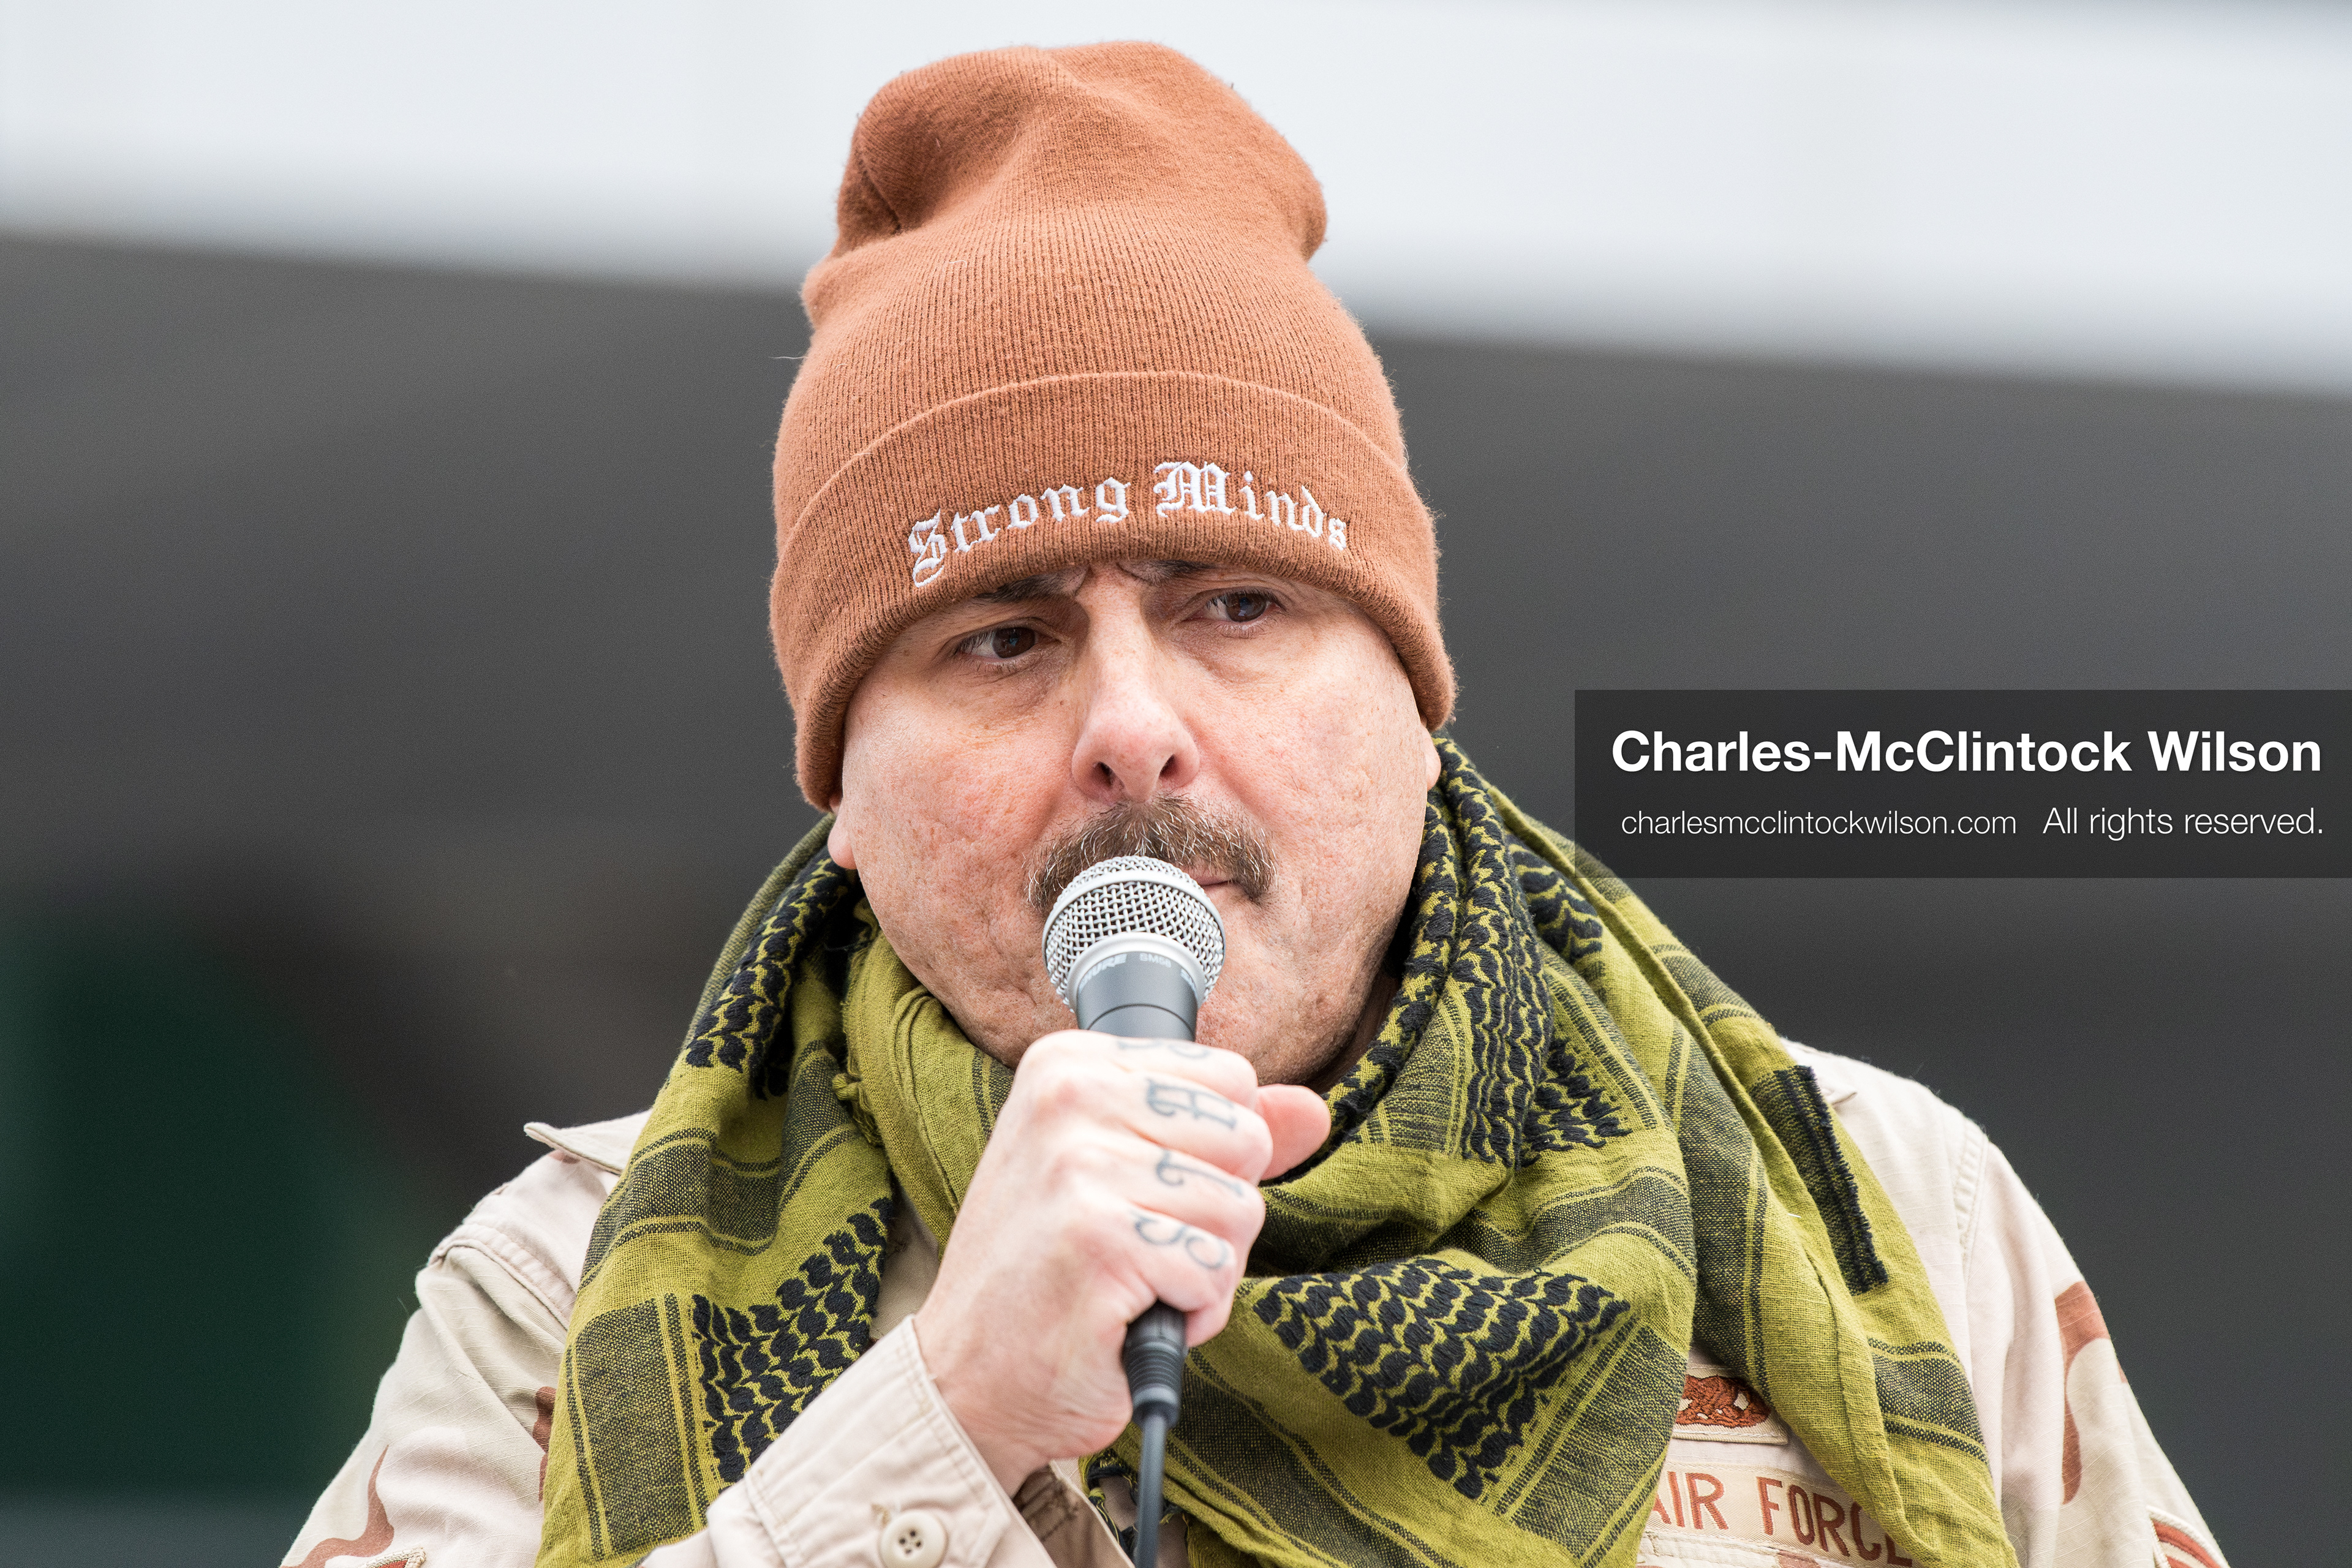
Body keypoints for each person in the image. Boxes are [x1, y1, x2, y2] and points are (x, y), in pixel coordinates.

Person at [284, 42, 2226, 1568]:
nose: (1132, 727)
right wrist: (945, 1419)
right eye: (998, 641)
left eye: (1237, 606)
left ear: (1412, 710)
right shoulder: (557, 1292)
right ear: (842, 798)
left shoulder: (1876, 1206)